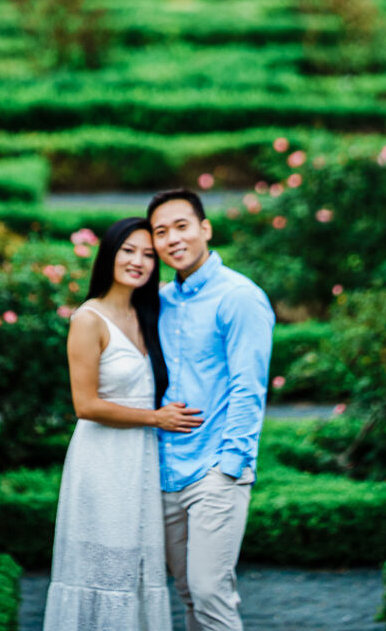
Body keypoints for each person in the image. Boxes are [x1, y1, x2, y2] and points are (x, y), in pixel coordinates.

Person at [43, 217, 203, 631]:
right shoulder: (88, 319)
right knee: (103, 570)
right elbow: (85, 404)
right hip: (102, 459)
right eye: (128, 250)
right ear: (109, 254)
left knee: (136, 568)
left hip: (141, 459)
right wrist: (155, 418)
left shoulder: (147, 313)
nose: (138, 261)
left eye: (149, 254)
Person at [147, 189, 275, 631]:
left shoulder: (239, 297)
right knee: (188, 595)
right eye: (160, 232)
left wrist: (230, 466)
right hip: (165, 471)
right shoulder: (161, 300)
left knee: (209, 592)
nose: (172, 239)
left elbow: (249, 387)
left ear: (205, 229)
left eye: (181, 226)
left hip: (215, 472)